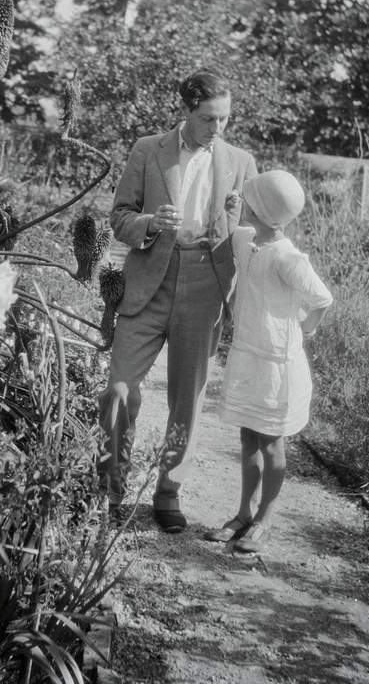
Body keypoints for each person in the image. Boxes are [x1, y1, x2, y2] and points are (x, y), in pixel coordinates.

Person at [98, 69, 257, 532]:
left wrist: (234, 226)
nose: (218, 129)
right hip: (149, 278)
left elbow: (250, 233)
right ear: (186, 111)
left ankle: (168, 493)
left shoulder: (242, 162)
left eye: (225, 118)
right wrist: (149, 222)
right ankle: (110, 487)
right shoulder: (148, 149)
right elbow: (119, 217)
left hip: (205, 284)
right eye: (209, 118)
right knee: (118, 390)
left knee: (187, 398)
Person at [204, 169, 333, 552]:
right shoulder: (249, 239)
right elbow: (233, 234)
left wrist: (305, 328)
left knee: (273, 444)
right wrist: (231, 210)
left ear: (259, 211)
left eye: (247, 200)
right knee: (247, 437)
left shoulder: (289, 258)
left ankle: (265, 519)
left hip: (277, 365)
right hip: (248, 356)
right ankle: (244, 511)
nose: (241, 203)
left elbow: (322, 299)